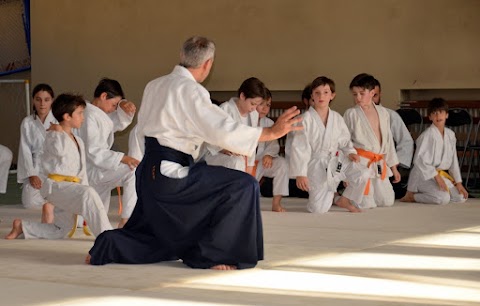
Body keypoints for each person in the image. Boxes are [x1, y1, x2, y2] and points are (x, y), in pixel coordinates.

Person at [86, 36, 302, 270]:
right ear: (208, 63)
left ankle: (106, 246)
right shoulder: (191, 91)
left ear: (182, 56)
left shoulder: (154, 85)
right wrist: (271, 132)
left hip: (149, 176)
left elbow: (144, 131)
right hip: (170, 175)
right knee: (242, 186)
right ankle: (214, 254)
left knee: (161, 240)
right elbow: (220, 128)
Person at [5, 94, 113, 239]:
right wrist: (59, 132)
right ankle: (108, 237)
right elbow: (59, 151)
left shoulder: (79, 140)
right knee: (88, 194)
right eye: (80, 113)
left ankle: (23, 227)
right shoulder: (52, 135)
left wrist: (85, 186)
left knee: (62, 230)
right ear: (67, 117)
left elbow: (82, 172)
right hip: (56, 187)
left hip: (71, 188)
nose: (83, 117)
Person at [290, 76, 367, 213]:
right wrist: (300, 173)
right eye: (317, 92)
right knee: (318, 209)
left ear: (332, 95)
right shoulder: (304, 119)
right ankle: (332, 197)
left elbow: (344, 141)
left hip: (336, 161)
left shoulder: (337, 118)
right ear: (312, 95)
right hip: (316, 164)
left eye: (326, 92)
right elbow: (300, 148)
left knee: (363, 172)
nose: (321, 96)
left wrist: (350, 152)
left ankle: (344, 199)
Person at [76, 78, 138, 228]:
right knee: (133, 169)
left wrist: (123, 104)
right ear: (103, 96)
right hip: (89, 172)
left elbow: (115, 122)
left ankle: (126, 219)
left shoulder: (96, 113)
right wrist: (122, 157)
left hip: (98, 171)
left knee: (94, 220)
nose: (114, 108)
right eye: (114, 104)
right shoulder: (89, 115)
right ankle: (126, 220)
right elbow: (93, 152)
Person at [343, 73, 401, 209]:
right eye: (354, 94)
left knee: (387, 201)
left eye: (362, 93)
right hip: (361, 163)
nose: (358, 98)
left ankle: (351, 194)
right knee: (366, 204)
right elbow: (344, 143)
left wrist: (394, 168)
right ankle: (348, 193)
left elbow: (388, 142)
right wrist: (346, 174)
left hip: (379, 161)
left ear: (372, 92)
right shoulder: (351, 113)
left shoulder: (383, 112)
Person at [401, 98, 468, 204]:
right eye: (434, 113)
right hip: (423, 176)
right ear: (430, 117)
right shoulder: (426, 136)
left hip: (439, 175)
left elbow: (453, 161)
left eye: (441, 112)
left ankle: (431, 193)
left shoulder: (450, 135)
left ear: (446, 115)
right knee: (443, 198)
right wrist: (437, 177)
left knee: (461, 197)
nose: (438, 116)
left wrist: (458, 183)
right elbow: (419, 160)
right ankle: (412, 196)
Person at [204, 77, 265, 174]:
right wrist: (224, 149)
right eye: (252, 104)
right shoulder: (225, 109)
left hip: (241, 158)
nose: (254, 108)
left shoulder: (254, 114)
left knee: (245, 172)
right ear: (242, 96)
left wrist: (250, 166)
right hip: (216, 155)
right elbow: (210, 140)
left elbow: (251, 142)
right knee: (237, 162)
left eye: (257, 105)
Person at [17, 84, 57, 223]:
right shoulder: (27, 122)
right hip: (36, 167)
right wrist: (32, 174)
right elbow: (25, 150)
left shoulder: (58, 121)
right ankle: (50, 204)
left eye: (46, 99)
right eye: (38, 99)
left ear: (52, 100)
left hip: (55, 168)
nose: (42, 104)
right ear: (33, 100)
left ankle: (52, 204)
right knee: (29, 202)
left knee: (60, 197)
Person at [373, 78, 414, 199]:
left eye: (375, 95)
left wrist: (395, 166)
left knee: (393, 194)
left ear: (380, 95)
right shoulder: (354, 115)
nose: (372, 99)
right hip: (363, 164)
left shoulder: (390, 115)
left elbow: (406, 141)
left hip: (386, 164)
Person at [255, 89, 289, 212]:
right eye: (261, 104)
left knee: (282, 164)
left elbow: (273, 144)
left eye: (268, 105)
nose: (265, 108)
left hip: (262, 161)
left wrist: (269, 154)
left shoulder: (269, 123)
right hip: (245, 163)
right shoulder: (244, 121)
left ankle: (276, 203)